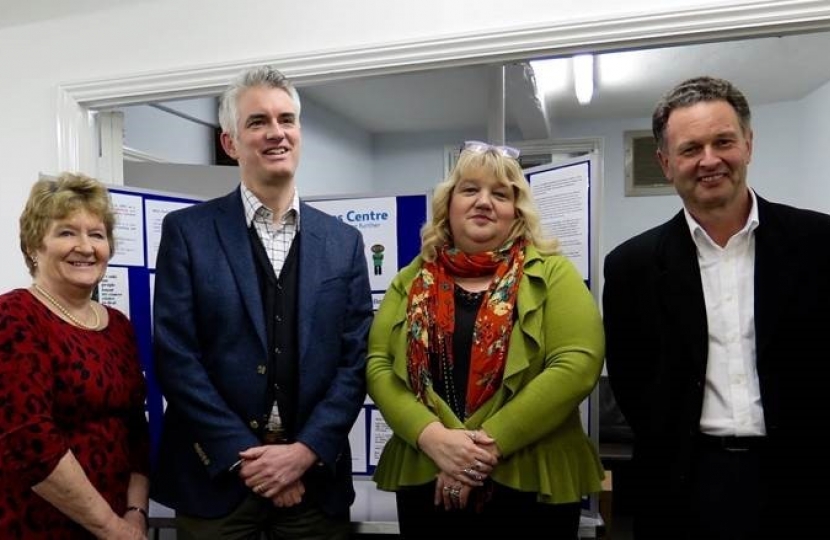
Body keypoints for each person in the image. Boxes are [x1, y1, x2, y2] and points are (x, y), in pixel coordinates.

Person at [150, 65, 374, 539]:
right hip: (217, 485)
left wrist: (303, 453)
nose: (277, 133)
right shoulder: (187, 233)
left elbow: (356, 361)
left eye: (286, 119)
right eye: (257, 122)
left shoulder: (344, 242)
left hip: (314, 486)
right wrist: (244, 458)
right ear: (230, 143)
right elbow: (177, 358)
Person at [603, 76, 830, 539]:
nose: (709, 160)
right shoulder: (632, 266)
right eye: (690, 149)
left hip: (807, 479)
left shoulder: (820, 244)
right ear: (666, 163)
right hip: (684, 487)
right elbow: (631, 379)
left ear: (748, 144)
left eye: (723, 141)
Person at [366, 141, 605, 539]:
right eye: (470, 189)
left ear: (517, 211)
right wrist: (434, 438)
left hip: (531, 478)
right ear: (449, 204)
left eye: (500, 193)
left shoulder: (554, 273)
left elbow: (577, 364)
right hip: (427, 471)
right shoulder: (410, 279)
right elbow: (377, 364)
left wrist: (479, 451)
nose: (483, 202)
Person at [0, 173, 150, 539]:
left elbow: (136, 430)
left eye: (96, 234)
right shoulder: (15, 315)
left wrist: (135, 514)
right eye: (67, 232)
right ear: (35, 246)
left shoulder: (117, 325)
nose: (85, 247)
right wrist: (112, 528)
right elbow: (31, 442)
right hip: (39, 525)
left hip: (120, 521)